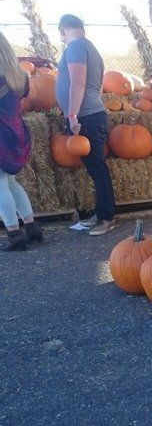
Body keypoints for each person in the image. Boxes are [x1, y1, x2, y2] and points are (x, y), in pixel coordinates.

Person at [56, 14, 116, 236]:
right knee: (95, 167)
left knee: (97, 168)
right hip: (91, 113)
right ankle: (102, 213)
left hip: (86, 116)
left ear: (62, 32)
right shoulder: (90, 48)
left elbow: (78, 82)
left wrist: (72, 115)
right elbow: (97, 88)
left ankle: (106, 217)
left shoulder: (76, 48)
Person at [0, 31, 43, 251]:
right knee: (10, 183)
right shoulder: (19, 75)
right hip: (15, 134)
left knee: (0, 185)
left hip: (0, 137)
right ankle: (32, 226)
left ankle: (14, 234)